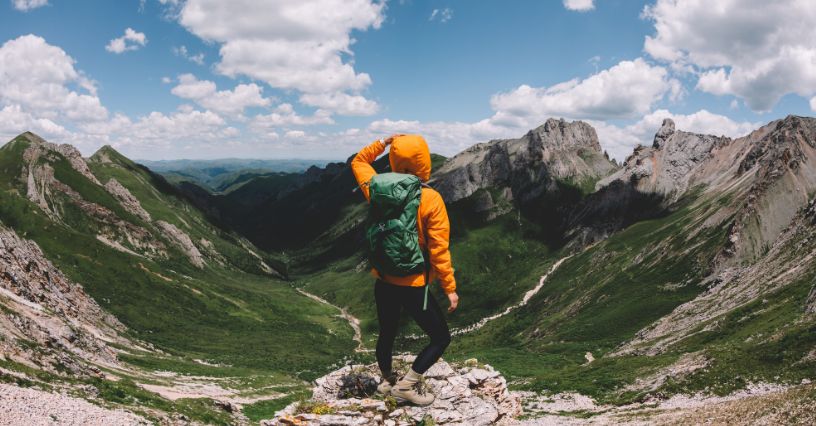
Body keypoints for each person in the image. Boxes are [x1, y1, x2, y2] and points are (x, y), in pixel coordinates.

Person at [351, 134, 459, 406]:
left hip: (384, 280)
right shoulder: (431, 199)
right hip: (413, 285)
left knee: (387, 330)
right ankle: (406, 386)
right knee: (440, 337)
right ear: (424, 164)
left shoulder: (376, 188)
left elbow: (359, 161)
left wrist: (383, 142)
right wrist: (450, 288)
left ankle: (387, 382)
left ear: (394, 160)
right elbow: (438, 250)